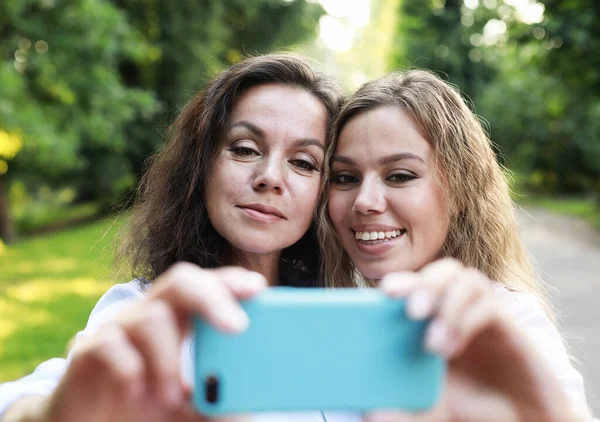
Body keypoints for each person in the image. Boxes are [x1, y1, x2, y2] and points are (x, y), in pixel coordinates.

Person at [0, 53, 353, 422]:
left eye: (303, 162)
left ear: (326, 189)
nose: (270, 176)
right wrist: (47, 413)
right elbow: (41, 394)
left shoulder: (349, 310)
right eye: (245, 149)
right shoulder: (148, 310)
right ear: (201, 165)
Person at [318, 69, 596, 421]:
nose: (365, 201)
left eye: (400, 175)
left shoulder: (504, 325)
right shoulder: (327, 325)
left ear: (459, 191)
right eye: (346, 178)